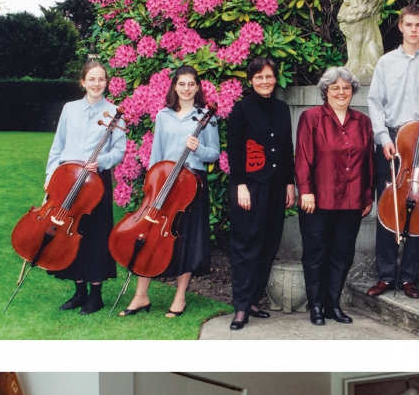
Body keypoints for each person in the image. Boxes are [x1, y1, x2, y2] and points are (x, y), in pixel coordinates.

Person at [366, 3, 419, 299]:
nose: (414, 30)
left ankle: (408, 278)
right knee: (389, 204)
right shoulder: (385, 62)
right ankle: (386, 275)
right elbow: (375, 102)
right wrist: (382, 136)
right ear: (400, 27)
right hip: (392, 138)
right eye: (409, 25)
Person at [120, 66, 221, 319]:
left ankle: (180, 296)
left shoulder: (206, 117)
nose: (186, 88)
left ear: (198, 87)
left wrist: (198, 148)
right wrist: (151, 186)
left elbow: (214, 154)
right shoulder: (163, 115)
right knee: (150, 234)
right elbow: (157, 153)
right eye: (182, 84)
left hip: (191, 184)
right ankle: (141, 296)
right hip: (164, 183)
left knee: (185, 238)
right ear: (174, 87)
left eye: (191, 84)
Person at [44, 58, 127, 315]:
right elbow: (58, 145)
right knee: (70, 233)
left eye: (101, 79)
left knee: (95, 235)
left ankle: (96, 295)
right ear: (83, 81)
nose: (96, 83)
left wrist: (100, 161)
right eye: (91, 79)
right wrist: (50, 177)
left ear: (106, 82)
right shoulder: (69, 109)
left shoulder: (114, 112)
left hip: (95, 182)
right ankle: (79, 291)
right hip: (67, 179)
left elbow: (120, 151)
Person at [295, 66, 373, 326]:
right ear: (325, 91)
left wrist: (368, 196)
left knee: (342, 254)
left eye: (346, 87)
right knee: (316, 254)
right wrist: (305, 190)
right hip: (318, 199)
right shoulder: (311, 118)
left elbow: (369, 162)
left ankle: (333, 305)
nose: (341, 92)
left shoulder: (363, 122)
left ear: (353, 91)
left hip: (352, 200)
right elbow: (303, 157)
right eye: (335, 87)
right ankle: (316, 307)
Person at [223, 57, 295, 330]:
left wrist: (289, 183)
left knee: (268, 243)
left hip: (277, 186)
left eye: (269, 76)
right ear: (251, 81)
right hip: (249, 187)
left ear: (275, 79)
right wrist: (240, 184)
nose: (265, 81)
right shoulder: (242, 110)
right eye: (259, 77)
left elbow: (286, 148)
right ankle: (241, 307)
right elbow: (235, 150)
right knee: (246, 243)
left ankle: (253, 300)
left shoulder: (281, 108)